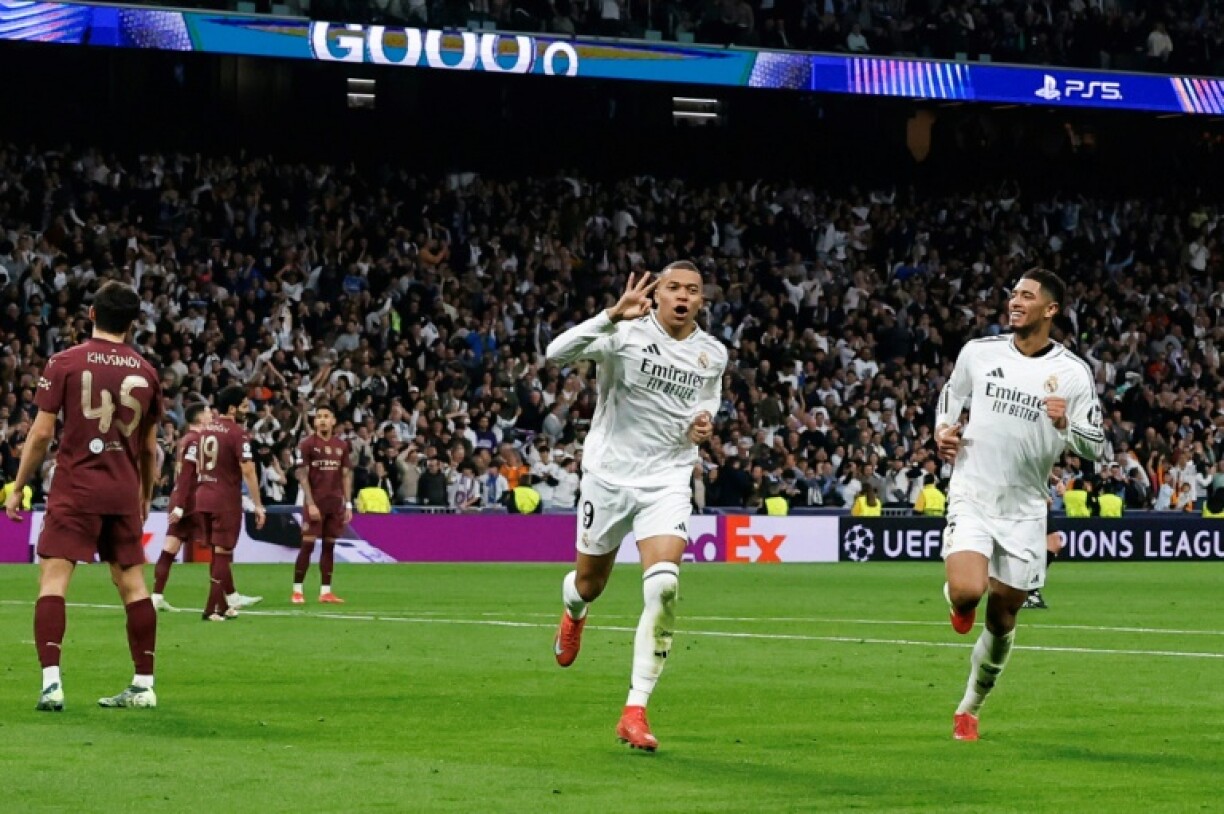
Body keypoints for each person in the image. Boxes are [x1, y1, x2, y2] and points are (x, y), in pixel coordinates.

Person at [546, 262, 727, 752]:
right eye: (673, 288)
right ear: (658, 293)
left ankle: (635, 708)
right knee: (590, 583)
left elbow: (705, 402)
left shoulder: (713, 353)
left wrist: (702, 424)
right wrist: (610, 315)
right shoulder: (624, 333)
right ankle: (573, 609)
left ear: (701, 300)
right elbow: (554, 354)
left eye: (692, 290)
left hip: (666, 478)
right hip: (608, 477)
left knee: (665, 585)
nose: (683, 296)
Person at [935, 270, 1103, 741]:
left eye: (1026, 296)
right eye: (1013, 294)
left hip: (1026, 508)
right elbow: (952, 393)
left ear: (1050, 310)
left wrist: (1068, 423)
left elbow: (1096, 445)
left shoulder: (1072, 374)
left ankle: (970, 705)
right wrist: (942, 431)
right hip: (973, 491)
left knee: (1003, 615)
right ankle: (958, 600)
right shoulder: (980, 352)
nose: (1015, 302)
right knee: (969, 591)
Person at [5, 281, 163, 710]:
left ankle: (52, 683)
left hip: (75, 486)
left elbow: (40, 434)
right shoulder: (147, 372)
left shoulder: (65, 362)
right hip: (122, 489)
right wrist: (144, 496)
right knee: (133, 586)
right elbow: (150, 449)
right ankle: (144, 684)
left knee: (54, 580)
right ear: (132, 324)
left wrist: (19, 486)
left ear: (91, 314)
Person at [177, 385, 267, 621]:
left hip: (203, 496)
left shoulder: (205, 431)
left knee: (217, 553)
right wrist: (258, 504)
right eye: (245, 407)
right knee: (224, 552)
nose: (247, 411)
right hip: (224, 498)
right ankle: (211, 609)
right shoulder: (237, 433)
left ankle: (224, 605)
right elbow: (248, 469)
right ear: (232, 408)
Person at [153, 403, 211, 612]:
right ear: (199, 418)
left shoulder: (186, 440)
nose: (211, 415)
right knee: (218, 547)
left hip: (182, 499)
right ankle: (227, 599)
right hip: (192, 501)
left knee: (170, 548)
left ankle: (157, 596)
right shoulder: (195, 440)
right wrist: (180, 506)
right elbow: (187, 474)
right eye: (207, 413)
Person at [293, 405, 352, 604]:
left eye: (326, 416)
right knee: (307, 545)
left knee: (329, 546)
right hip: (315, 502)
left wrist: (348, 504)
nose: (322, 420)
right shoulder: (307, 444)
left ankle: (325, 592)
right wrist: (310, 503)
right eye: (319, 417)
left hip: (335, 504)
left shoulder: (341, 445)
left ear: (334, 421)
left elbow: (345, 475)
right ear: (314, 421)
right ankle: (297, 590)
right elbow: (302, 475)